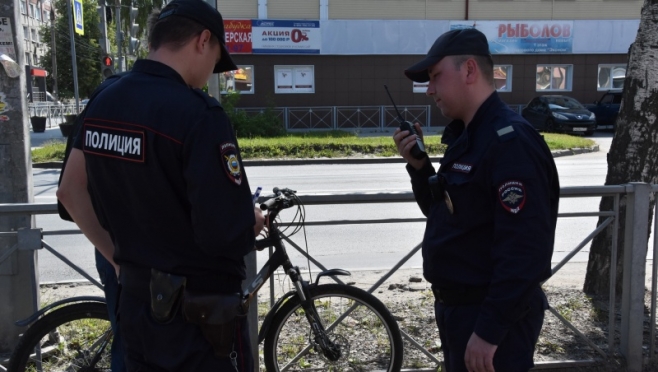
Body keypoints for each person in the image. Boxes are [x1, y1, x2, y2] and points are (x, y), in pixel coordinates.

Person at [56, 0, 265, 370]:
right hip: (198, 320)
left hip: (136, 305)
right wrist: (250, 220)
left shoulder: (105, 99)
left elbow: (69, 192)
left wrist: (118, 261)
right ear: (203, 40)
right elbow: (224, 234)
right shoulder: (200, 115)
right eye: (216, 61)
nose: (210, 75)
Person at [393, 28, 559, 372]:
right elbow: (449, 216)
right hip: (463, 312)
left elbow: (525, 250)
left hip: (490, 318)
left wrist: (489, 330)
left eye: (436, 77)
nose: (430, 90)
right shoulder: (469, 137)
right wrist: (421, 169)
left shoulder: (509, 142)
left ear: (469, 70)